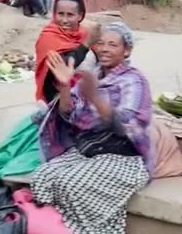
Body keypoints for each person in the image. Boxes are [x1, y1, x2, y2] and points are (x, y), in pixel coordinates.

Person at [31, 22, 153, 234]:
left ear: (127, 51)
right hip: (87, 151)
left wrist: (95, 98)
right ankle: (61, 227)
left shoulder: (134, 80)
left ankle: (90, 230)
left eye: (113, 44)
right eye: (100, 43)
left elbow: (125, 125)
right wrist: (65, 86)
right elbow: (68, 114)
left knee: (70, 184)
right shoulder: (92, 75)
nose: (104, 48)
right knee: (42, 178)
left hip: (123, 157)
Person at [35, 0, 101, 103]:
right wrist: (85, 45)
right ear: (54, 14)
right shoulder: (48, 37)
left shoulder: (85, 34)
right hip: (60, 102)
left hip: (90, 98)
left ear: (80, 16)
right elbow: (62, 66)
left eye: (70, 15)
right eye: (61, 14)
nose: (64, 20)